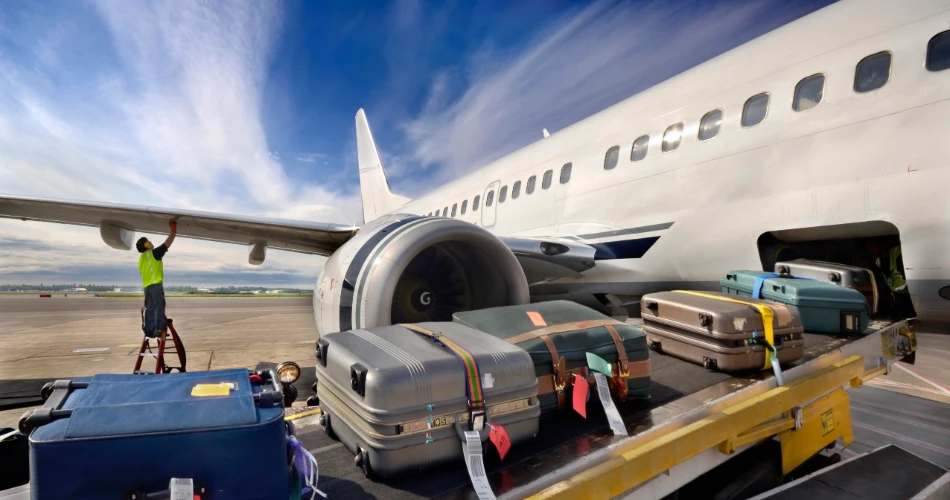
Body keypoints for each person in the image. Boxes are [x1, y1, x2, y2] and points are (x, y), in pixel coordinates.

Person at [136, 221, 177, 337]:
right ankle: (159, 329)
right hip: (155, 285)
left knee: (150, 308)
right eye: (148, 241)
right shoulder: (153, 254)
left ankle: (150, 330)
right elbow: (166, 244)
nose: (151, 242)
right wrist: (173, 231)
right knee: (159, 306)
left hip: (146, 287)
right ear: (145, 245)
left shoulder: (141, 259)